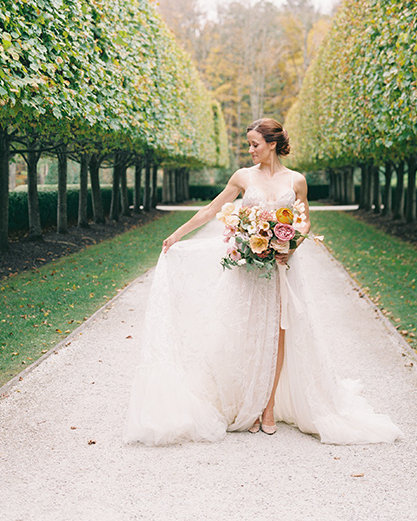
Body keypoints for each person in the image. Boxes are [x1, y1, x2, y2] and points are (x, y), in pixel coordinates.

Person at [124, 118, 402, 445]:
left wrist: (292, 244)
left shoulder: (296, 181)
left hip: (283, 269)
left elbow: (305, 221)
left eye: (255, 144)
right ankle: (249, 403)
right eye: (249, 144)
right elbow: (213, 209)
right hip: (248, 267)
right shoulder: (243, 176)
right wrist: (176, 235)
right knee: (246, 331)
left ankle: (268, 406)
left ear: (272, 143)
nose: (250, 150)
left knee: (279, 332)